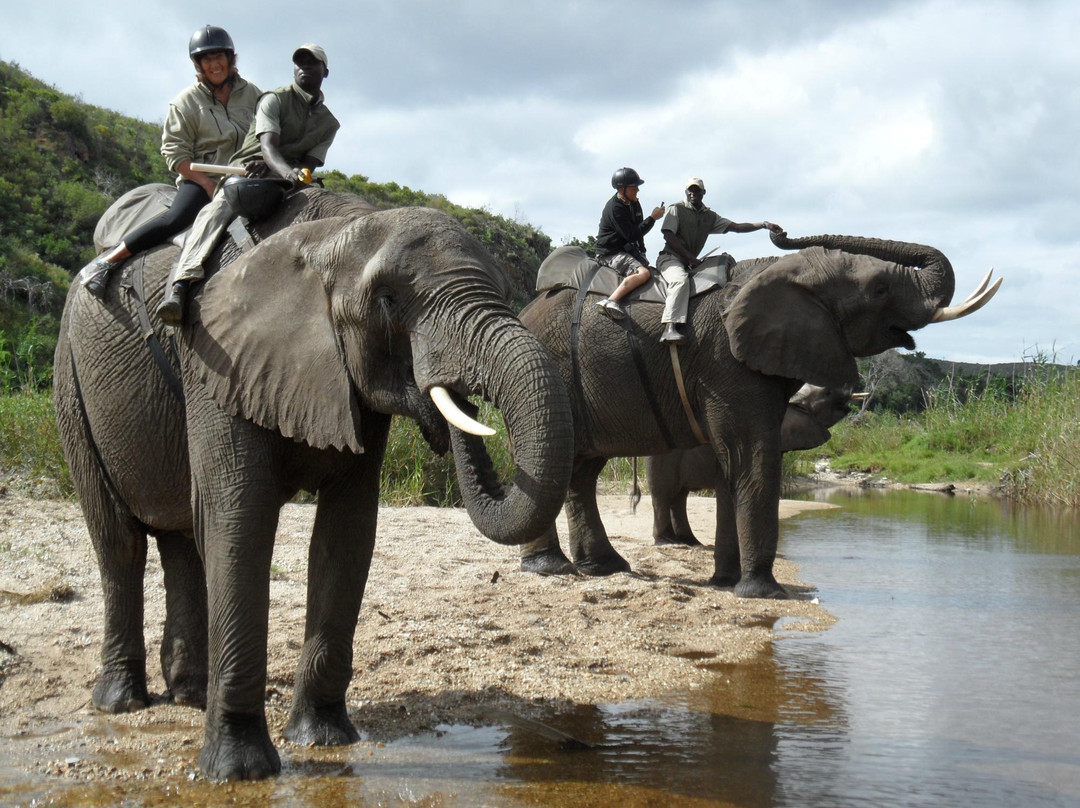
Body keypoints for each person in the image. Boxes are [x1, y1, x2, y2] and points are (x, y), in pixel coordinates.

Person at [156, 43, 340, 325]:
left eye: (312, 64)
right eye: (299, 63)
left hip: (288, 180)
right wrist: (286, 173)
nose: (304, 69)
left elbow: (310, 163)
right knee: (217, 211)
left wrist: (294, 176)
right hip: (249, 172)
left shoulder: (329, 123)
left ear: (325, 71)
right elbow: (268, 147)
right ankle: (180, 284)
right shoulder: (273, 99)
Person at [79, 26, 261, 299]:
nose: (215, 64)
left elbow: (267, 133)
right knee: (177, 217)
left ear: (230, 58)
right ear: (198, 64)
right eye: (207, 59)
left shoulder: (253, 94)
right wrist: (208, 186)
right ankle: (106, 263)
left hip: (246, 177)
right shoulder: (184, 103)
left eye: (219, 56)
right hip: (203, 179)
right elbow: (175, 155)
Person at [656, 178, 783, 343]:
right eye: (690, 190)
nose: (693, 193)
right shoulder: (676, 209)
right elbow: (668, 235)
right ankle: (669, 328)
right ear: (686, 192)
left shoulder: (709, 216)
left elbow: (736, 227)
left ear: (704, 192)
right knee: (680, 281)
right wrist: (690, 258)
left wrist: (764, 224)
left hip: (689, 262)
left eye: (697, 190)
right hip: (671, 259)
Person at [593, 167, 665, 321]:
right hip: (610, 253)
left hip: (627, 251)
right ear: (622, 189)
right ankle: (611, 300)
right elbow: (632, 234)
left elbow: (639, 233)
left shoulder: (634, 203)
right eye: (633, 187)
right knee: (643, 274)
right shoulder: (615, 208)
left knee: (649, 269)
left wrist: (643, 253)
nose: (637, 190)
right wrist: (653, 218)